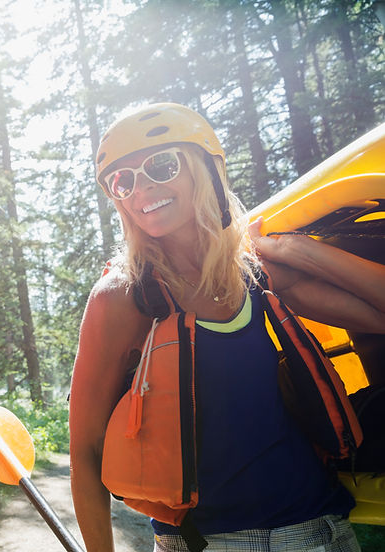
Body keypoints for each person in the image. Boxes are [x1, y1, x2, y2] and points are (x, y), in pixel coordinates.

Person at [68, 102, 385, 552]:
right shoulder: (124, 296)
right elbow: (85, 450)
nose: (142, 189)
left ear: (206, 167)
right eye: (123, 180)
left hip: (315, 531)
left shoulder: (255, 273)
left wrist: (299, 253)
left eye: (161, 164)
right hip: (201, 543)